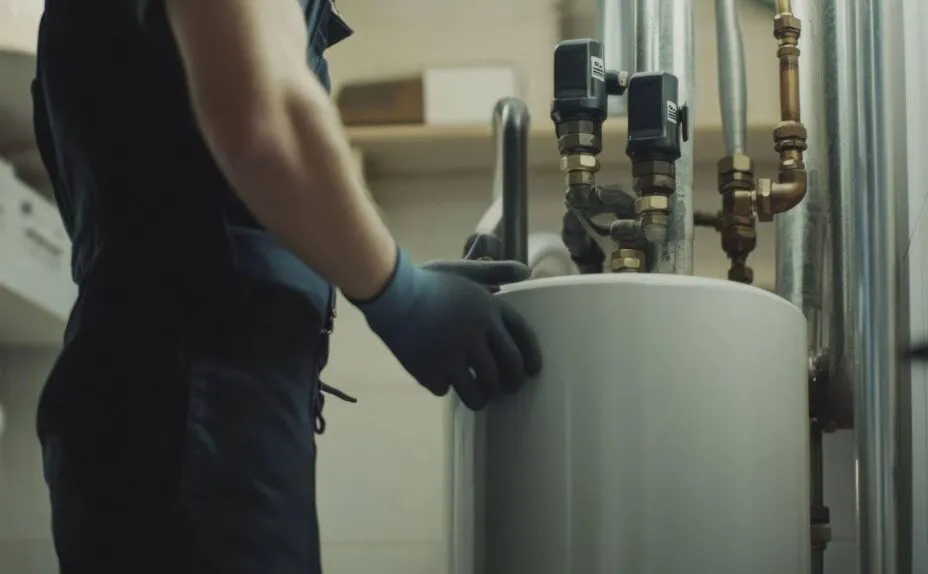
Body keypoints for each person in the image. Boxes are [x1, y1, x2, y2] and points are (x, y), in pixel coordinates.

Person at [30, 1, 543, 572]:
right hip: (192, 411)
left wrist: (389, 274)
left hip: (169, 404)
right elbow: (263, 116)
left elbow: (184, 195)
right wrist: (402, 293)